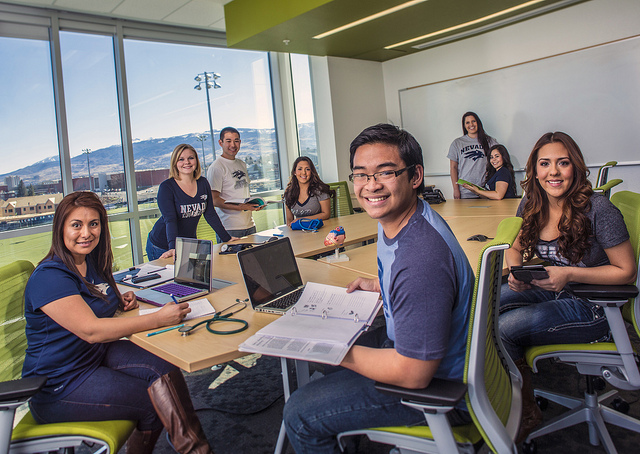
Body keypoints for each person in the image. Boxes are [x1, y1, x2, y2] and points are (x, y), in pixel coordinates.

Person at [283, 124, 475, 452]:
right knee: (334, 356)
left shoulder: (420, 256)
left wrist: (330, 346)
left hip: (442, 391)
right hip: (428, 350)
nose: (371, 186)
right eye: (361, 175)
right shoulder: (407, 221)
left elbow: (414, 375)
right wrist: (380, 284)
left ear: (415, 176)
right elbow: (422, 288)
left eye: (385, 173)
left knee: (299, 412)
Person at [22, 191, 214, 454]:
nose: (86, 233)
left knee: (164, 367)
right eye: (76, 225)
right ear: (61, 228)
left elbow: (95, 300)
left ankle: (196, 448)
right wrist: (157, 319)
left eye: (94, 224)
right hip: (60, 383)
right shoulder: (50, 276)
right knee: (152, 401)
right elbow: (91, 330)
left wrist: (120, 300)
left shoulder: (90, 261)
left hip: (94, 357)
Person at [498, 131, 636, 443]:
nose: (554, 172)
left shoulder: (598, 209)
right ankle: (505, 395)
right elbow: (513, 245)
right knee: (491, 302)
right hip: (559, 288)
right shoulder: (532, 204)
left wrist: (570, 274)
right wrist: (515, 272)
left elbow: (627, 271)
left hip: (596, 306)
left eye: (563, 163)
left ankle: (525, 409)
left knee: (505, 328)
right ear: (534, 170)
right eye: (545, 164)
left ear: (575, 167)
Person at [146, 143, 231, 261]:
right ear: (175, 163)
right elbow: (170, 219)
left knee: (190, 278)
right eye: (181, 159)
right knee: (169, 279)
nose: (187, 162)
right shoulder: (167, 187)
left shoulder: (203, 183)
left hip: (189, 243)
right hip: (163, 245)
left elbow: (210, 214)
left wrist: (227, 239)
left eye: (191, 158)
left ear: (196, 160)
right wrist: (172, 247)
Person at [207, 127, 261, 241]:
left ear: (240, 142)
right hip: (229, 228)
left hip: (249, 225)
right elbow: (215, 200)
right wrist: (242, 207)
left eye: (236, 141)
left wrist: (254, 204)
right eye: (228, 141)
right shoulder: (216, 167)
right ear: (220, 143)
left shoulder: (242, 164)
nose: (233, 145)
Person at [448, 111, 497, 199]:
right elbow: (453, 168)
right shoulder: (457, 143)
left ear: (478, 122)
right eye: (467, 122)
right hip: (465, 191)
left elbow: (499, 161)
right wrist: (456, 189)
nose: (471, 124)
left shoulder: (490, 141)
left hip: (485, 190)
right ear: (464, 125)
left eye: (473, 121)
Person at [283, 156, 332, 227]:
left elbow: (326, 214)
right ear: (294, 172)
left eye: (307, 169)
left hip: (319, 230)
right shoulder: (289, 193)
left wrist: (302, 220)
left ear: (311, 172)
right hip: (299, 232)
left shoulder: (319, 190)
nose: (303, 173)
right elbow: (289, 221)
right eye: (300, 169)